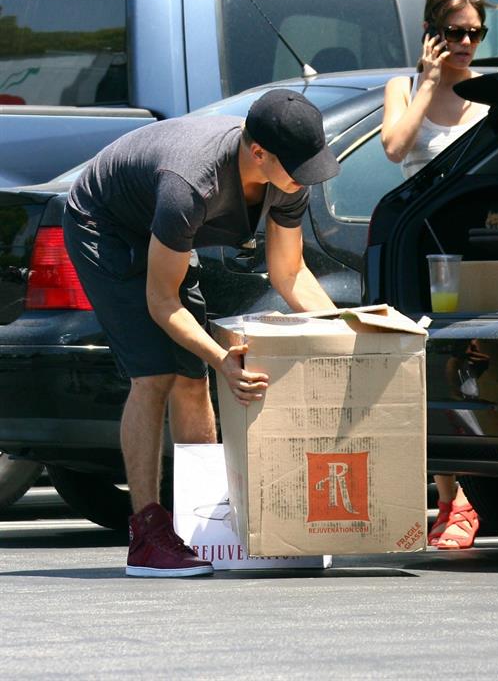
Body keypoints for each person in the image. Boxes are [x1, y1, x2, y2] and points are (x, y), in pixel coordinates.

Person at [64, 89, 340, 577]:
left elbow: (290, 272)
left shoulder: (288, 179)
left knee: (192, 377)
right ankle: (147, 535)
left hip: (162, 233)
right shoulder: (191, 183)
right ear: (258, 153)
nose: (305, 180)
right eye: (298, 167)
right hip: (104, 224)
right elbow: (160, 301)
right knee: (154, 373)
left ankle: (206, 522)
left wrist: (344, 334)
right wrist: (223, 358)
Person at [381, 0, 489, 550]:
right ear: (431, 35)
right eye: (455, 32)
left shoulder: (489, 96)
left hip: (474, 245)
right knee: (428, 367)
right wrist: (428, 81)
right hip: (420, 243)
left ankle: (467, 498)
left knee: (471, 366)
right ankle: (450, 496)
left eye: (476, 32)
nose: (467, 42)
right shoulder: (403, 87)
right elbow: (396, 147)